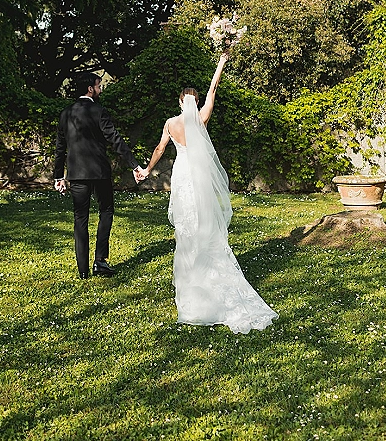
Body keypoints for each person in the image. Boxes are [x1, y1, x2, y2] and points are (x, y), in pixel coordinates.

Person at [138, 52, 277, 333]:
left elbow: (160, 149)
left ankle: (190, 279)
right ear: (196, 102)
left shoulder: (170, 124)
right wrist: (222, 63)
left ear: (179, 102)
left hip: (182, 176)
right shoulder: (201, 119)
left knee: (186, 226)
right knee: (203, 223)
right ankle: (206, 269)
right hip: (198, 176)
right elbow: (214, 88)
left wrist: (146, 170)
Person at [53, 72, 143, 279]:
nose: (100, 89)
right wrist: (134, 164)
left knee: (80, 218)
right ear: (90, 89)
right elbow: (115, 139)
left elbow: (60, 148)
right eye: (98, 85)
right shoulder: (99, 110)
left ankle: (83, 270)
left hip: (76, 174)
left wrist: (59, 176)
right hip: (100, 172)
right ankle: (100, 261)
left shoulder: (65, 113)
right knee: (106, 211)